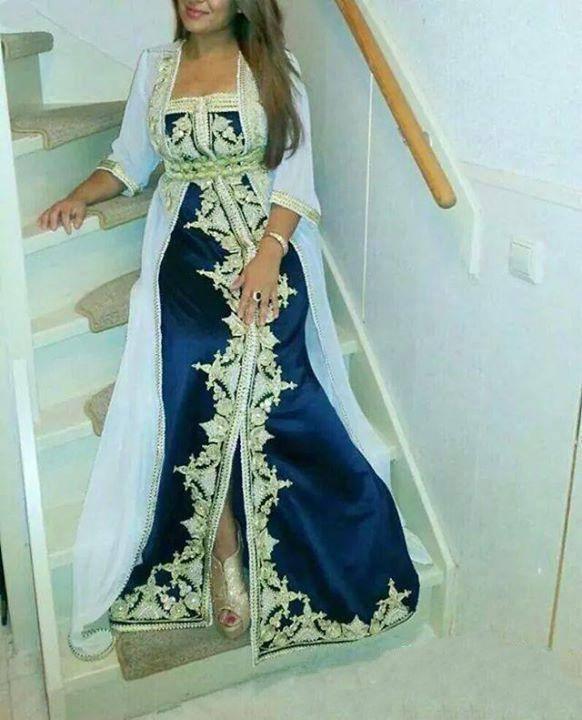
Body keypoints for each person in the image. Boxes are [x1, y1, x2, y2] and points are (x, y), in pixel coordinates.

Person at [39, 0, 428, 668]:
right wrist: (81, 193)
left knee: (277, 381)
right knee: (194, 371)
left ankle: (321, 543)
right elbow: (128, 161)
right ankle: (225, 552)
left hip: (266, 248)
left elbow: (295, 179)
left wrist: (271, 253)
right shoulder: (155, 68)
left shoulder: (276, 69)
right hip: (185, 254)